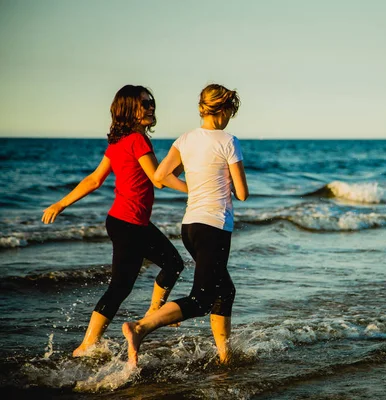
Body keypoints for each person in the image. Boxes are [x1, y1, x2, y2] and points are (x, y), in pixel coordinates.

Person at [42, 85, 187, 357]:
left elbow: (97, 179)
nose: (151, 107)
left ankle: (147, 316)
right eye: (144, 103)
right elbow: (159, 179)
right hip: (129, 224)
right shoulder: (137, 140)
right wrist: (195, 186)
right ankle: (89, 344)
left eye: (151, 102)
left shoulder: (120, 141)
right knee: (128, 282)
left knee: (166, 265)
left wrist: (62, 203)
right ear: (129, 110)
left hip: (124, 222)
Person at [122, 83, 249, 367]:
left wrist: (191, 187)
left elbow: (159, 176)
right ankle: (140, 328)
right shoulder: (228, 141)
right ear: (224, 108)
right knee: (202, 299)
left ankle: (225, 357)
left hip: (190, 227)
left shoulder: (186, 139)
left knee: (225, 290)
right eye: (231, 111)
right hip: (214, 227)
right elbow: (241, 193)